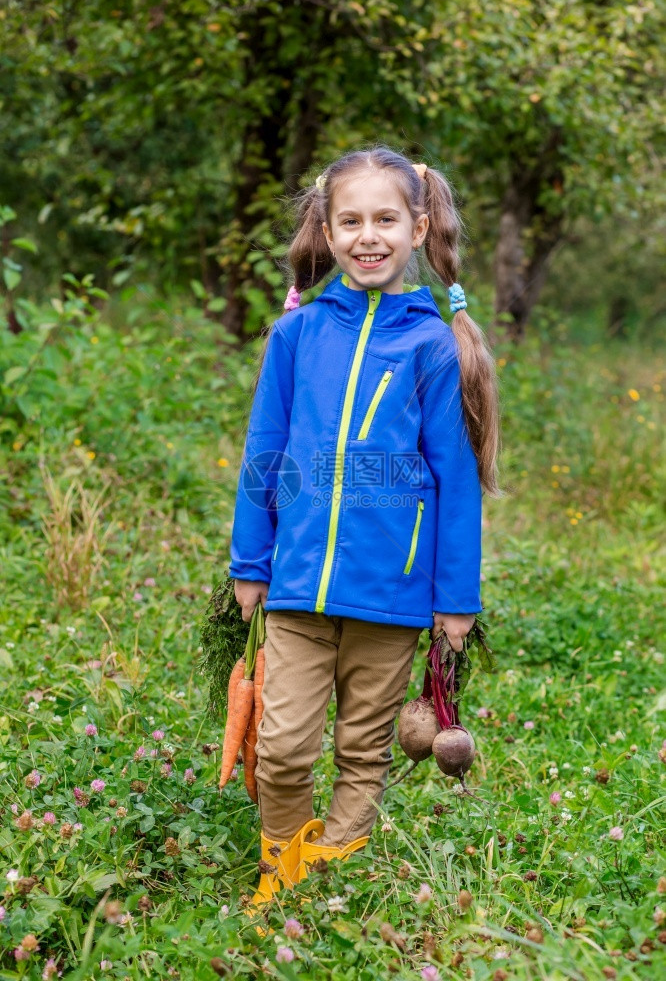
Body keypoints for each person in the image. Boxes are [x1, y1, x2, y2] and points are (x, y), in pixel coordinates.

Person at [228, 146, 501, 908]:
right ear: (327, 228)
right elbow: (265, 453)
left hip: (393, 597)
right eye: (351, 220)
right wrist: (250, 561)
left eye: (386, 219)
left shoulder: (434, 345)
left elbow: (454, 479)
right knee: (280, 751)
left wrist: (456, 597)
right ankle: (281, 864)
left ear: (418, 228)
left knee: (361, 752)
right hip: (295, 589)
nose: (367, 236)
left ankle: (331, 867)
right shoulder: (297, 336)